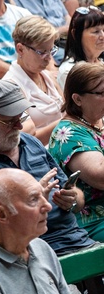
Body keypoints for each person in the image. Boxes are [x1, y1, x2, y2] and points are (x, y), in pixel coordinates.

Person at [0, 80, 97, 259]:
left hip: (75, 240)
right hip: (24, 256)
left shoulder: (29, 142)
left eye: (21, 118)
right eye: (9, 121)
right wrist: (26, 205)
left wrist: (72, 198)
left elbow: (77, 200)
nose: (20, 127)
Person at [48, 62, 104, 242]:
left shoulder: (97, 121)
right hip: (94, 219)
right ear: (78, 99)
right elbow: (101, 177)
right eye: (101, 93)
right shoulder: (68, 133)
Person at [3, 16, 63, 143]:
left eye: (51, 50)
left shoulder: (48, 76)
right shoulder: (10, 86)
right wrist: (66, 122)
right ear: (20, 49)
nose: (48, 58)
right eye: (42, 52)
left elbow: (68, 111)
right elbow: (26, 141)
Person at [58, 6, 104, 88]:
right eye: (96, 31)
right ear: (75, 34)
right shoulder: (70, 71)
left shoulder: (101, 62)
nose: (102, 36)